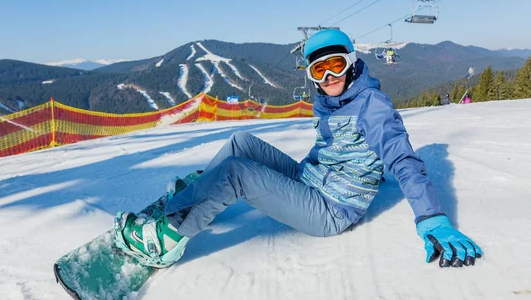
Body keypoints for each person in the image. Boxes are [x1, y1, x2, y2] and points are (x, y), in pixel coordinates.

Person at [120, 29, 483, 269]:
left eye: (336, 66)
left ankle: (168, 240)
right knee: (239, 143)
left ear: (352, 62)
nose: (329, 78)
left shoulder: (372, 105)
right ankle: (202, 193)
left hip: (330, 210)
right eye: (319, 70)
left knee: (237, 174)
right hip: (310, 180)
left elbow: (401, 157)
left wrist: (431, 217)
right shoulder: (331, 99)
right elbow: (360, 151)